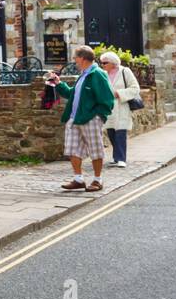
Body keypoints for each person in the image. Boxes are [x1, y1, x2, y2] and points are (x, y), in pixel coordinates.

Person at [45, 45, 115, 193]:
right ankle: (78, 179)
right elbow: (72, 94)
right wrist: (58, 83)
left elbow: (107, 99)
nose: (74, 61)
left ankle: (97, 180)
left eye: (75, 58)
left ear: (82, 58)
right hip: (74, 118)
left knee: (95, 149)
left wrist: (98, 116)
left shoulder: (97, 74)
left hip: (91, 119)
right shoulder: (83, 74)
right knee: (72, 149)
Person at [99, 50, 140, 168]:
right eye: (102, 63)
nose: (103, 65)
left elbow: (135, 88)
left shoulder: (125, 71)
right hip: (109, 108)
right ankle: (116, 158)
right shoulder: (103, 74)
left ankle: (121, 158)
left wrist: (119, 93)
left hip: (122, 107)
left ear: (113, 63)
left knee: (120, 132)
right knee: (111, 132)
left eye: (105, 63)